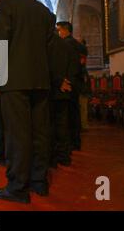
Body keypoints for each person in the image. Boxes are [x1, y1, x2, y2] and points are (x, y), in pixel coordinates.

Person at [0, 0, 54, 204]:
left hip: (14, 81)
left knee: (17, 135)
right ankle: (39, 181)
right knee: (39, 132)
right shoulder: (44, 11)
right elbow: (50, 48)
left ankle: (18, 188)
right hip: (40, 81)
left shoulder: (5, 6)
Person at [48, 22, 77, 168]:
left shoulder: (47, 45)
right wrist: (68, 82)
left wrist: (58, 81)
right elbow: (74, 66)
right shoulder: (67, 45)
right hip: (66, 89)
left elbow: (48, 67)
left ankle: (54, 156)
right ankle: (65, 155)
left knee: (51, 125)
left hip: (52, 89)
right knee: (64, 124)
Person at [56, 21, 84, 152]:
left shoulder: (67, 44)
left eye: (59, 30)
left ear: (65, 30)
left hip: (70, 82)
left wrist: (67, 80)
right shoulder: (76, 43)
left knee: (70, 115)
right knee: (74, 113)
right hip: (75, 81)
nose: (58, 33)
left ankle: (73, 141)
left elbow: (71, 64)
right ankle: (75, 141)